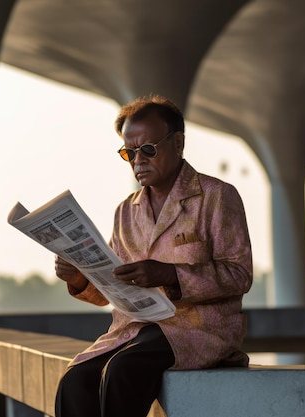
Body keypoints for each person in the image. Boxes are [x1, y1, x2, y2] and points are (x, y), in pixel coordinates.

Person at [53, 94, 253, 417]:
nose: (137, 161)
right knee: (74, 381)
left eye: (147, 149)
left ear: (178, 144)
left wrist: (169, 275)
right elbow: (110, 290)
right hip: (134, 329)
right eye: (128, 152)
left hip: (199, 328)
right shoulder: (125, 212)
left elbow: (240, 275)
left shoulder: (217, 197)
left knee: (122, 370)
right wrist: (78, 276)